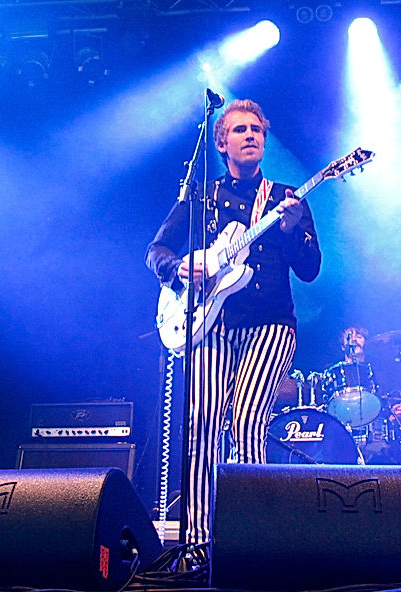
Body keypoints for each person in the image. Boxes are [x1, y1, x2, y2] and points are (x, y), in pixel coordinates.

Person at [145, 99, 321, 547]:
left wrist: (292, 231)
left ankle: (254, 538)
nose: (250, 135)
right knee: (201, 420)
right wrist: (180, 268)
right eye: (240, 129)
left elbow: (310, 268)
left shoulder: (287, 200)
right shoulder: (201, 197)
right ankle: (199, 542)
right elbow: (156, 251)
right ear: (221, 142)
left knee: (245, 421)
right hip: (211, 322)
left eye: (257, 130)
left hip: (271, 324)